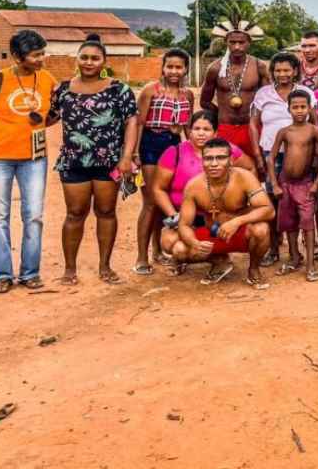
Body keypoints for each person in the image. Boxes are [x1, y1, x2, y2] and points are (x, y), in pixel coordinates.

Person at [49, 34, 139, 285]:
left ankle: (105, 267)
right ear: (77, 59)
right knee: (74, 213)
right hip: (74, 161)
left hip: (108, 162)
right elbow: (49, 117)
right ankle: (69, 269)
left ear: (104, 61)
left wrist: (127, 157)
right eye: (84, 57)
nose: (89, 62)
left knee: (106, 212)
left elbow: (132, 122)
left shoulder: (119, 89)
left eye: (95, 58)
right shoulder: (62, 90)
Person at [0, 29, 56, 293]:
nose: (41, 59)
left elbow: (52, 113)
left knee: (34, 215)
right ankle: (2, 275)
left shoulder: (47, 79)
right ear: (18, 57)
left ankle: (30, 273)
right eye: (35, 55)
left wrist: (41, 122)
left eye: (42, 53)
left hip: (35, 158)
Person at [153, 110, 255, 267]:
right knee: (169, 243)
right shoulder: (174, 153)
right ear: (189, 131)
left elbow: (250, 168)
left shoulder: (227, 150)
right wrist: (174, 216)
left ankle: (222, 253)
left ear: (215, 132)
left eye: (206, 129)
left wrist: (237, 199)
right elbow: (158, 189)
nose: (201, 133)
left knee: (253, 230)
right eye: (196, 129)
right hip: (186, 216)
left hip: (218, 217)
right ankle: (217, 259)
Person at [173, 138, 275, 289]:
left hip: (239, 232)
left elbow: (269, 210)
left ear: (231, 160)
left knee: (261, 229)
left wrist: (237, 221)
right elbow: (184, 225)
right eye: (208, 158)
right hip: (212, 234)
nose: (214, 163)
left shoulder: (244, 177)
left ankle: (254, 269)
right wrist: (195, 243)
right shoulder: (193, 186)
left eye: (220, 158)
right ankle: (219, 261)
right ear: (202, 161)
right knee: (177, 249)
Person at [131, 48, 195, 275]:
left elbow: (188, 126)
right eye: (170, 66)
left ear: (186, 69)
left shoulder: (187, 95)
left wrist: (194, 151)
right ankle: (141, 257)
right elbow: (139, 123)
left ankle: (158, 251)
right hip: (150, 144)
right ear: (163, 68)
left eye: (179, 67)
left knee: (164, 202)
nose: (174, 71)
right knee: (150, 202)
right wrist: (135, 153)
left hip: (174, 147)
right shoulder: (151, 90)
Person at [250, 52, 316, 266]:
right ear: (272, 72)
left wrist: (314, 156)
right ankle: (273, 248)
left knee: (298, 201)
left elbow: (315, 124)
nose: (282, 74)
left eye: (287, 69)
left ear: (295, 71)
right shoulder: (263, 94)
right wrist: (257, 154)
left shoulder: (305, 93)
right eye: (277, 70)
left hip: (300, 155)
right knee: (273, 201)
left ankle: (297, 249)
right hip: (270, 154)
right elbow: (253, 124)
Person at [267, 91, 318, 281]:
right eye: (295, 107)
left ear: (309, 108)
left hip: (305, 184)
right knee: (289, 222)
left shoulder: (314, 131)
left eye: (303, 107)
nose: (299, 111)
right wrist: (274, 184)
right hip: (285, 183)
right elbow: (271, 157)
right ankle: (294, 257)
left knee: (307, 222)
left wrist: (317, 183)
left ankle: (311, 265)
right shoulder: (284, 132)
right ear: (288, 109)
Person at [199, 19, 270, 159]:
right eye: (232, 42)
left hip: (252, 128)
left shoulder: (259, 66)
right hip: (226, 128)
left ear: (249, 43)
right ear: (226, 42)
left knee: (257, 167)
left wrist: (257, 118)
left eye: (241, 42)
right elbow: (204, 101)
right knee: (226, 166)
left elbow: (267, 100)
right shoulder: (215, 68)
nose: (237, 47)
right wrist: (222, 113)